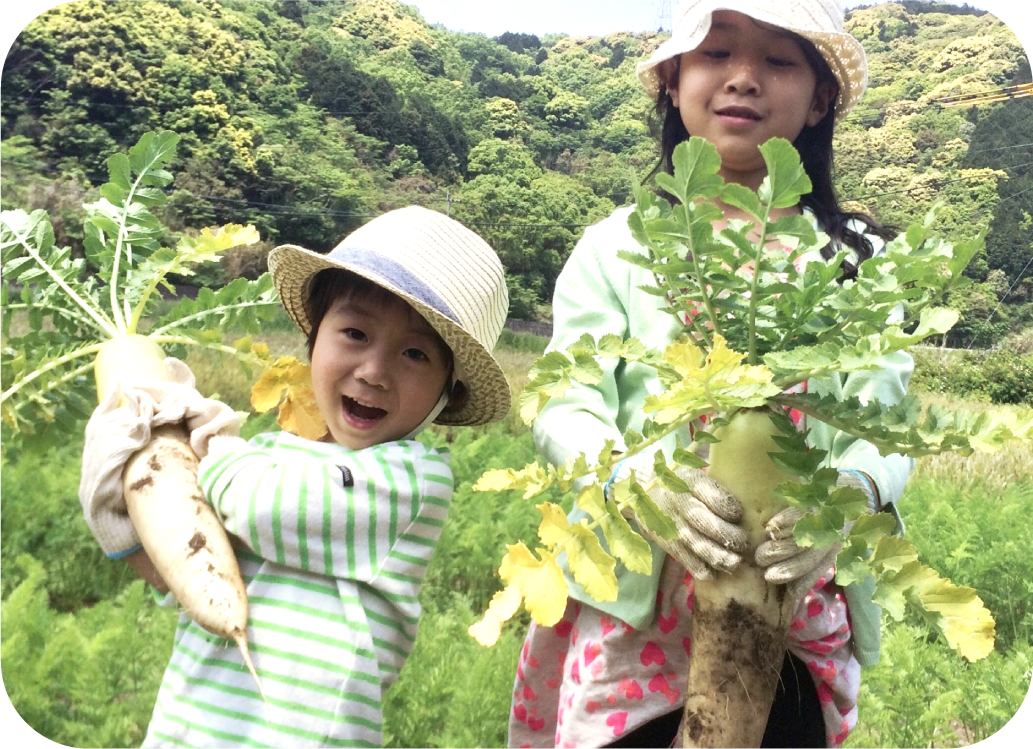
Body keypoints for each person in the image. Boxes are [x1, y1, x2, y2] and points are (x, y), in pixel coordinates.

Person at [507, 1, 914, 748]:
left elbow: (889, 428)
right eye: (716, 53)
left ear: (821, 96)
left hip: (788, 605)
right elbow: (564, 403)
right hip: (638, 607)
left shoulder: (858, 256)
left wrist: (850, 495)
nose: (743, 79)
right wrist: (634, 478)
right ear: (672, 78)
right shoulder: (613, 245)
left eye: (780, 60)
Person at [78, 206, 511, 748]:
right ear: (313, 342)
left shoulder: (412, 482)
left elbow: (264, 510)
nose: (374, 371)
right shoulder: (263, 457)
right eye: (354, 333)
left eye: (415, 354)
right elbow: (186, 571)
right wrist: (120, 514)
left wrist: (203, 436)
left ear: (448, 393)